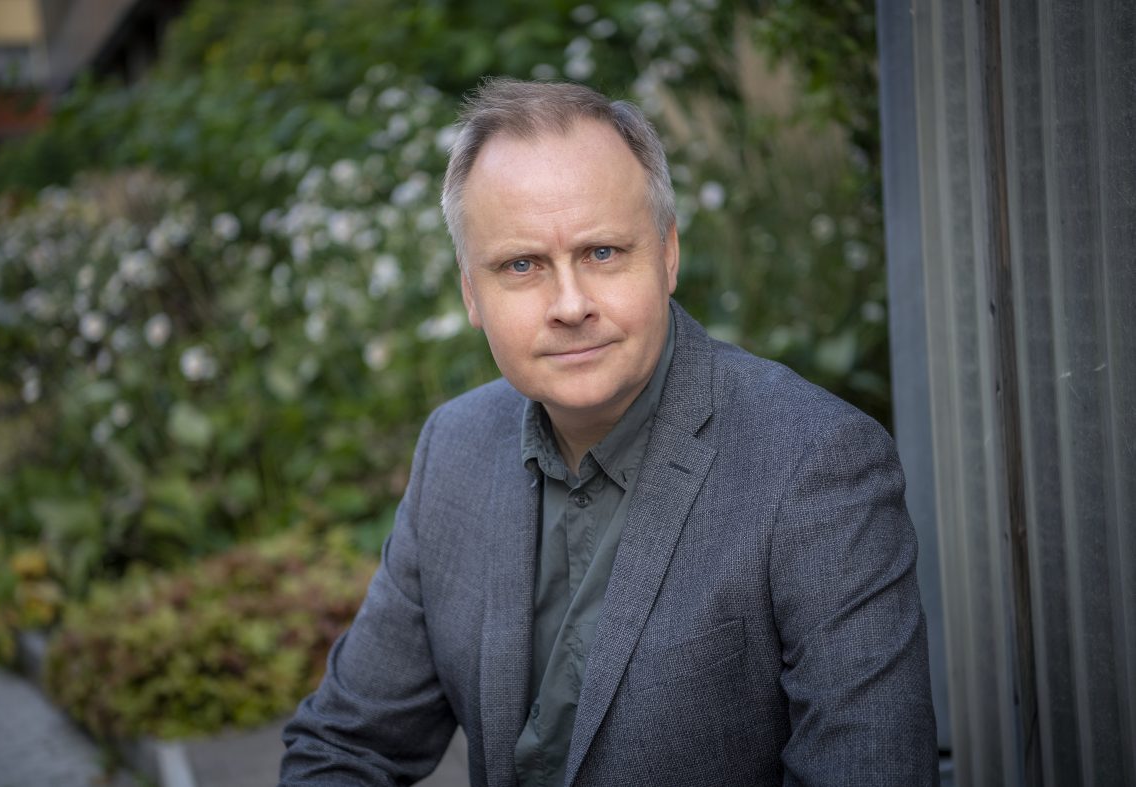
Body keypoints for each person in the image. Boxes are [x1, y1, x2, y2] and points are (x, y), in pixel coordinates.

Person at [279, 78, 937, 786]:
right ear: (471, 292)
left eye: (602, 253)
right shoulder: (455, 448)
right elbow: (342, 747)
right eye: (522, 265)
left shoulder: (814, 464)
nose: (570, 305)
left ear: (668, 254)